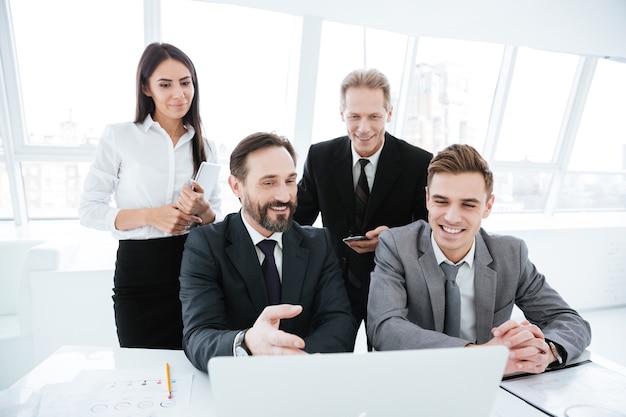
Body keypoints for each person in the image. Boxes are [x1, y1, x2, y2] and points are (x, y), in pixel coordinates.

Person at [367, 144, 591, 375]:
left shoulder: (511, 254)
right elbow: (384, 328)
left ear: (488, 206)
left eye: (468, 204)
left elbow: (570, 321)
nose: (452, 217)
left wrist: (545, 351)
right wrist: (480, 356)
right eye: (441, 201)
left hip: (490, 387)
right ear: (427, 199)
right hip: (417, 376)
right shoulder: (396, 245)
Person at [79, 42, 221, 350]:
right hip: (139, 272)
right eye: (165, 84)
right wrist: (152, 216)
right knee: (141, 370)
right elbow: (90, 210)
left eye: (186, 83)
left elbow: (216, 220)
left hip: (195, 270)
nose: (179, 93)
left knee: (194, 365)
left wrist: (203, 211)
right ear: (146, 88)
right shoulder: (119, 136)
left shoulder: (206, 147)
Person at [179, 132, 357, 372]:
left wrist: (292, 359)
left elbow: (339, 323)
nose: (284, 196)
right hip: (239, 384)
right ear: (236, 186)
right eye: (268, 182)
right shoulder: (206, 245)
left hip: (304, 380)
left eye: (290, 181)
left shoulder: (319, 243)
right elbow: (198, 336)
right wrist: (248, 343)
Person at [294, 68, 432, 336]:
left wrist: (393, 239)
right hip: (332, 283)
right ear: (342, 114)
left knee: (387, 365)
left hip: (394, 283)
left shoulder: (418, 162)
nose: (364, 128)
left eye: (374, 116)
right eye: (354, 116)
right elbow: (297, 220)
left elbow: (431, 229)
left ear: (389, 114)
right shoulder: (320, 156)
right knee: (326, 359)